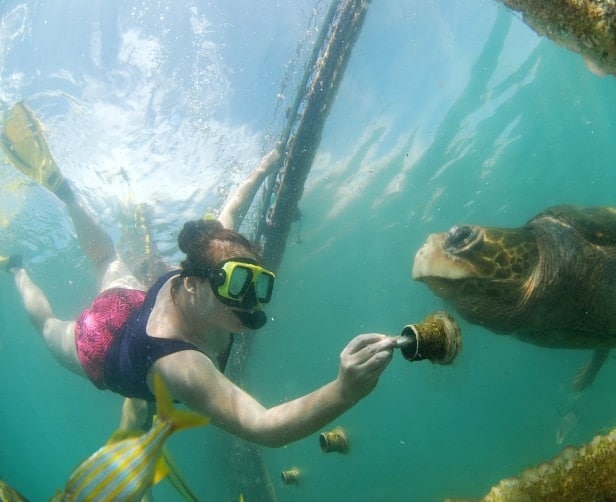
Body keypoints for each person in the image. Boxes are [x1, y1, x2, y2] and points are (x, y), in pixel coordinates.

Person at [1, 101, 396, 446]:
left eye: (257, 283)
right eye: (238, 282)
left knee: (106, 259)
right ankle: (17, 269)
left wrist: (266, 165)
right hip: (97, 344)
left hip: (132, 302)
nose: (249, 300)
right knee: (48, 325)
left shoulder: (203, 259)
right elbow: (263, 426)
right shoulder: (184, 367)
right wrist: (345, 391)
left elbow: (233, 207)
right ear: (192, 283)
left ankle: (65, 193)